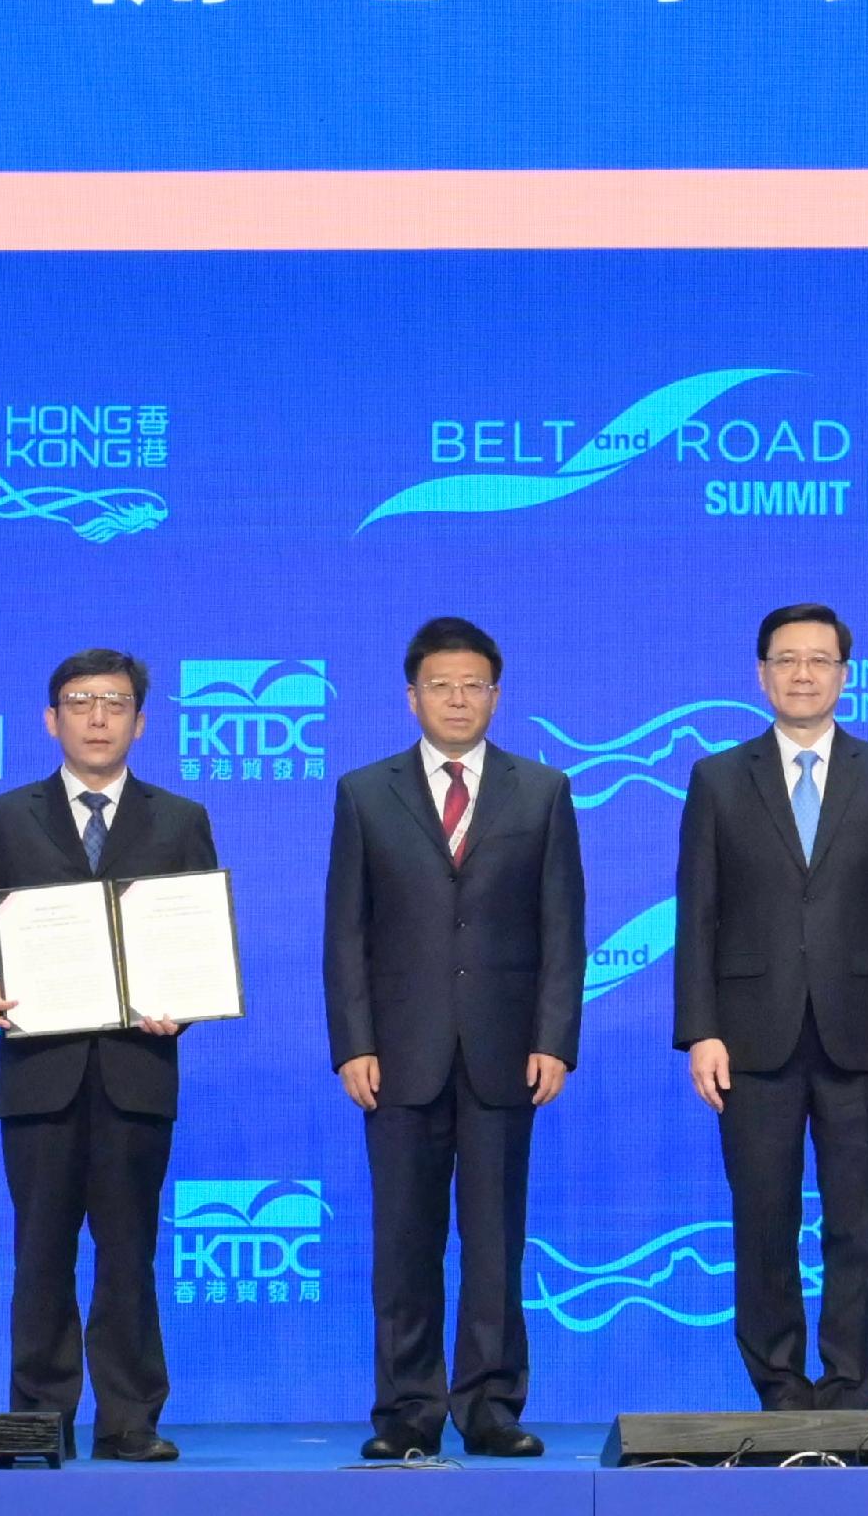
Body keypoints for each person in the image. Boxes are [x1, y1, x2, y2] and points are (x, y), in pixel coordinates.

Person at [0, 647, 223, 1462]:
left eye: (115, 703)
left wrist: (186, 1004)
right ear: (49, 718)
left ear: (141, 720)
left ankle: (131, 1418)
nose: (98, 717)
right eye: (80, 701)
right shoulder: (4, 816)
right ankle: (39, 1418)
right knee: (42, 1250)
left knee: (130, 1248)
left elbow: (195, 932)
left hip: (138, 1067)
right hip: (40, 1072)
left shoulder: (179, 818)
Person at [323, 616, 586, 1459]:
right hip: (397, 1053)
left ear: (497, 696)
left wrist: (556, 1037)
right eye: (442, 683)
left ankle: (490, 1405)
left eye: (474, 683)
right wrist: (352, 1041)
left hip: (507, 1051)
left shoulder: (542, 791)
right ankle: (406, 1410)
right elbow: (346, 932)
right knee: (403, 1237)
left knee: (496, 1238)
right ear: (412, 696)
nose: (459, 697)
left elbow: (561, 926)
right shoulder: (366, 792)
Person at [674, 602, 868, 1409]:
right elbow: (698, 914)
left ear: (845, 676)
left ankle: (851, 1387)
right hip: (751, 1039)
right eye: (787, 660)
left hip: (863, 1037)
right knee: (764, 1221)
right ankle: (780, 1386)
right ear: (761, 674)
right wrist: (700, 1031)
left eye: (820, 660)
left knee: (859, 1226)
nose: (803, 674)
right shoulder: (719, 777)